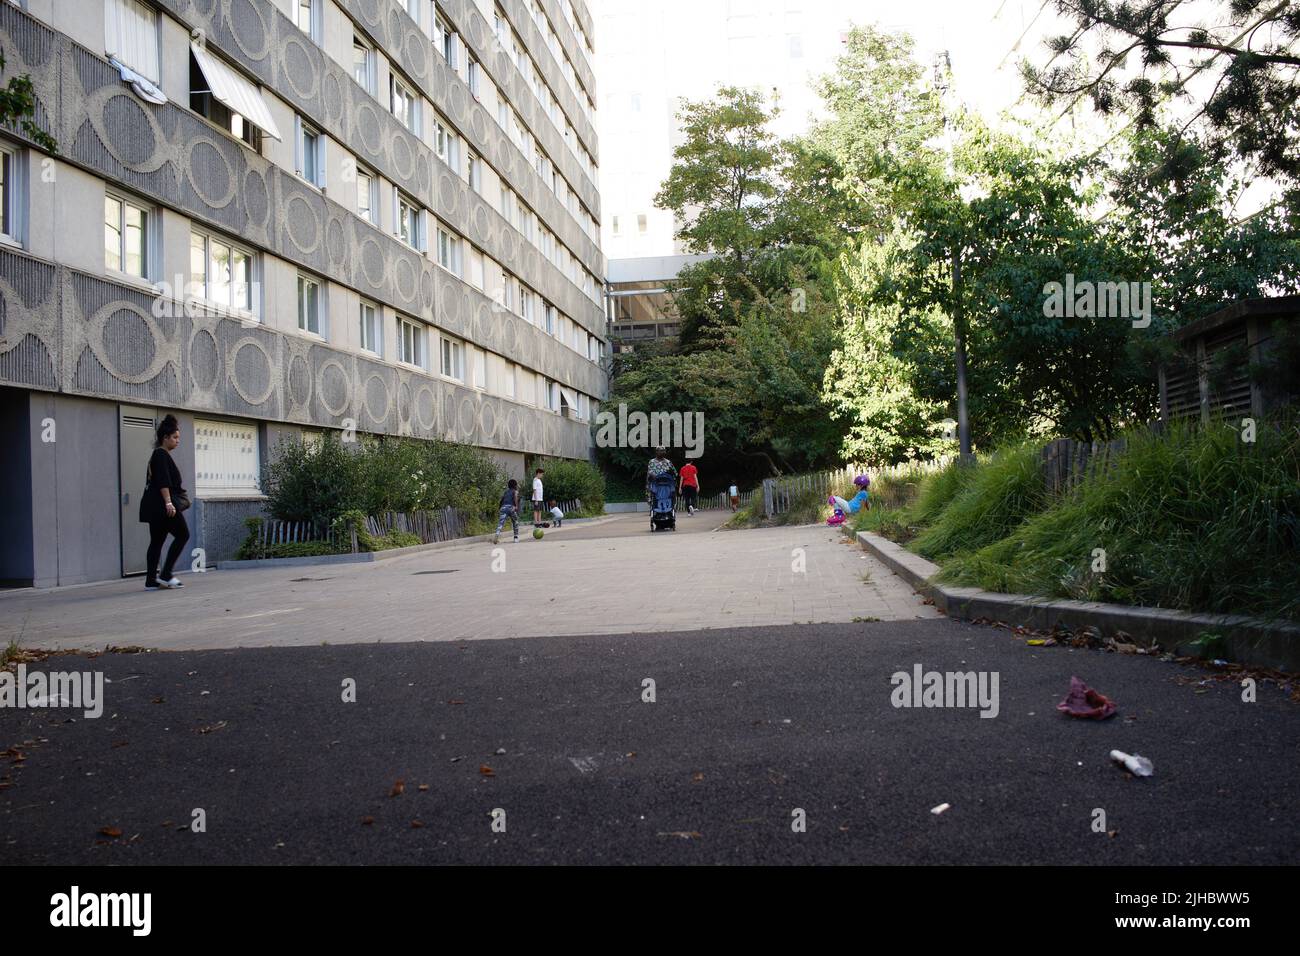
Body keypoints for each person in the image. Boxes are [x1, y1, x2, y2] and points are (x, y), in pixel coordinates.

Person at [139, 414, 190, 590]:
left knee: (156, 542)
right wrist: (169, 503)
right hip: (163, 507)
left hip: (154, 507)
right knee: (183, 535)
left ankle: (151, 580)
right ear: (165, 438)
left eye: (178, 437)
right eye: (175, 437)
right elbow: (163, 481)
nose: (178, 441)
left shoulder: (158, 455)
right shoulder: (161, 455)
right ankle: (166, 574)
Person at [493, 478, 521, 544]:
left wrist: (500, 508)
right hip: (511, 508)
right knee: (515, 522)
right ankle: (516, 538)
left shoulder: (506, 492)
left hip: (503, 507)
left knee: (501, 523)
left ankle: (497, 534)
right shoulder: (515, 491)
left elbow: (502, 500)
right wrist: (516, 506)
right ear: (515, 485)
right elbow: (515, 497)